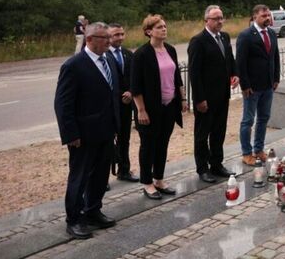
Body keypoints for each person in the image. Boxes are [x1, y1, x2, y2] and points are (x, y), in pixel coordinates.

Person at [54, 22, 119, 240]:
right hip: (83, 135)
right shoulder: (74, 65)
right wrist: (70, 134)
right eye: (104, 38)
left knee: (101, 176)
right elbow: (63, 104)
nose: (109, 42)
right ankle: (74, 219)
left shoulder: (108, 59)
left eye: (109, 37)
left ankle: (93, 211)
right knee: (79, 177)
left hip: (106, 130)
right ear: (89, 39)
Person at [131, 14, 188, 200]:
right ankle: (147, 182)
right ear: (149, 32)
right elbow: (136, 86)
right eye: (159, 27)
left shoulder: (170, 49)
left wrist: (182, 99)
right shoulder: (141, 54)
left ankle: (159, 179)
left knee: (163, 143)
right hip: (149, 108)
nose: (164, 29)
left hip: (169, 106)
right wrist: (141, 110)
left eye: (164, 26)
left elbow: (177, 76)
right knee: (148, 145)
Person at [188, 5, 239, 183]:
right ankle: (202, 168)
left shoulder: (224, 37)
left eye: (221, 18)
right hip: (206, 98)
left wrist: (235, 74)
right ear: (206, 21)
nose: (219, 21)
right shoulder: (198, 41)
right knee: (202, 134)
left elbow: (230, 59)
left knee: (219, 131)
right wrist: (200, 99)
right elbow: (194, 73)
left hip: (222, 95)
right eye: (216, 18)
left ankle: (216, 164)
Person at [236, 4, 280, 166]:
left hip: (268, 85)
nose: (267, 18)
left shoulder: (271, 33)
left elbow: (275, 57)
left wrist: (276, 78)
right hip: (252, 87)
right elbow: (240, 62)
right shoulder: (246, 35)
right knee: (248, 120)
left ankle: (259, 150)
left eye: (269, 15)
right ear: (255, 17)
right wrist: (245, 85)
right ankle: (246, 153)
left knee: (263, 118)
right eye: (264, 16)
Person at [107, 23, 138, 183]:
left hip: (126, 105)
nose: (119, 38)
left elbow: (134, 76)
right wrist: (120, 94)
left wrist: (131, 92)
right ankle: (103, 176)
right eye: (115, 35)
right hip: (109, 106)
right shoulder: (104, 55)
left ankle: (124, 170)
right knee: (107, 141)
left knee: (124, 138)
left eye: (121, 34)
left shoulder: (127, 54)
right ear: (108, 36)